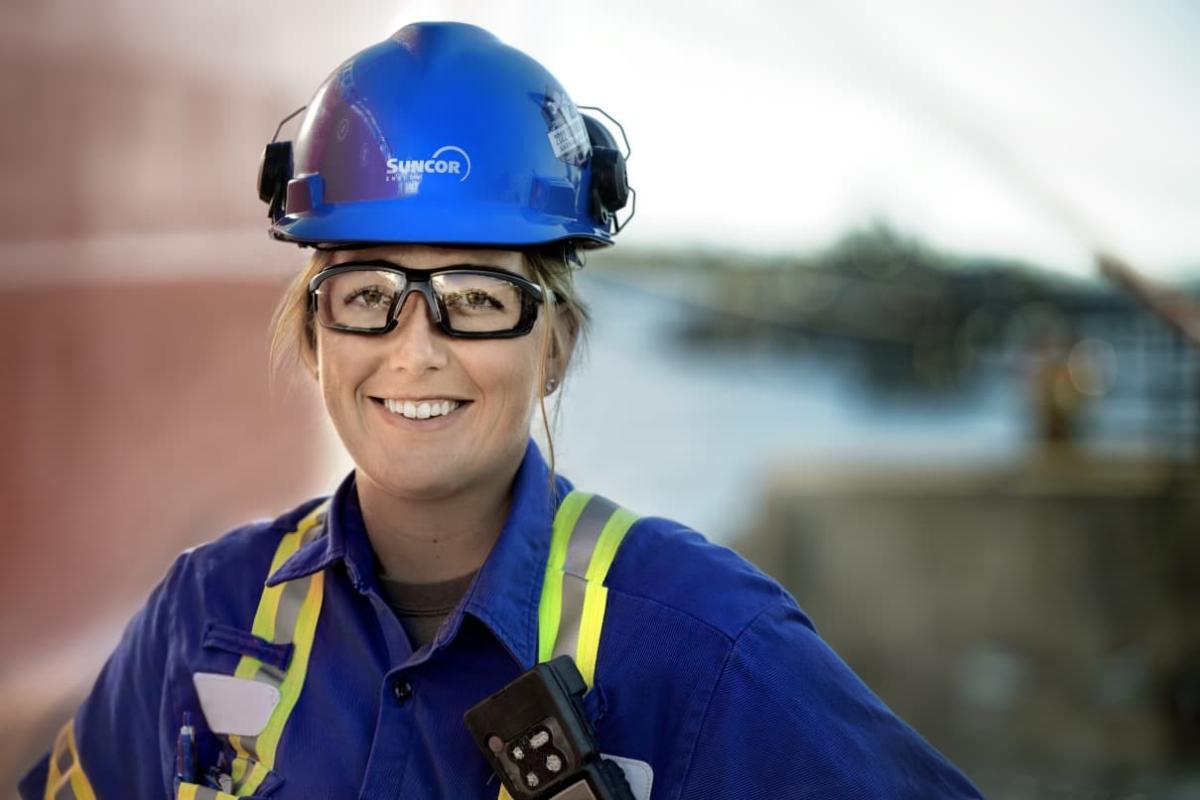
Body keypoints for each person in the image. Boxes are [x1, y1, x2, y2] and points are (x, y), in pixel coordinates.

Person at [20, 21, 983, 800]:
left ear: (553, 346)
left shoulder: (707, 650)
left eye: (477, 298)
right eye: (366, 296)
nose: (415, 348)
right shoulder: (203, 618)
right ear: (316, 335)